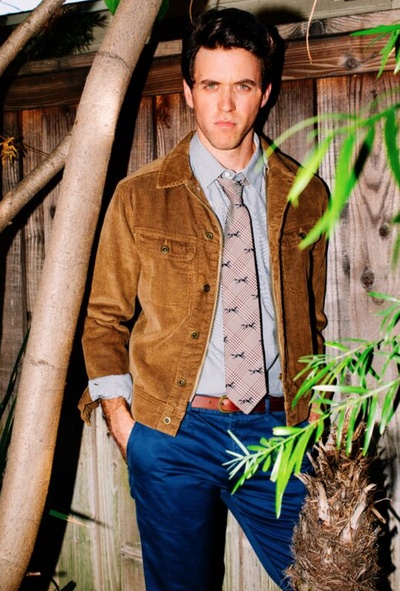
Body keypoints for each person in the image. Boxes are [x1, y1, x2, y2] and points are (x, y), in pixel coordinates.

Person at [79, 7, 328, 591]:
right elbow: (104, 319)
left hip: (278, 432)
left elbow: (312, 320)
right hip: (173, 434)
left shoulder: (306, 194)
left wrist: (314, 411)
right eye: (211, 86)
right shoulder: (139, 197)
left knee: (325, 580)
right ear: (189, 92)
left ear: (265, 93)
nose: (226, 105)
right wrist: (123, 423)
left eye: (242, 86)